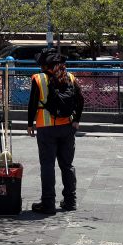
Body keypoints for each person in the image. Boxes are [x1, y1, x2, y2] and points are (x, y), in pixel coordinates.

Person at [27, 48, 84, 215]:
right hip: (67, 127)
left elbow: (32, 104)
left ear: (45, 65)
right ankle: (70, 201)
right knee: (67, 165)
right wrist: (77, 120)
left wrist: (30, 124)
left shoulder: (39, 79)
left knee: (47, 166)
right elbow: (80, 99)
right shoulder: (70, 77)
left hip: (46, 129)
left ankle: (48, 204)